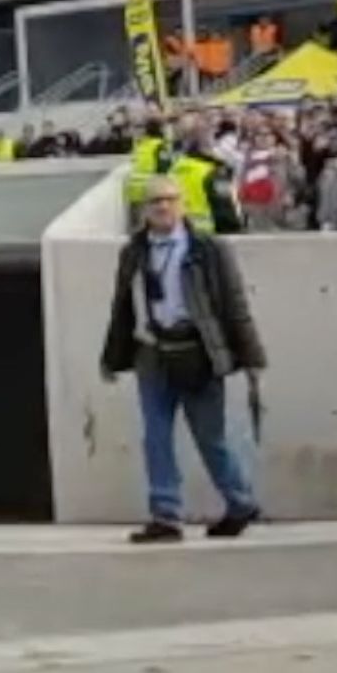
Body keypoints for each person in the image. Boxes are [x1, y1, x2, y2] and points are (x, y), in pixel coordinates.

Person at [101, 176, 266, 543]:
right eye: (155, 201)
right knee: (155, 438)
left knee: (211, 438)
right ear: (144, 209)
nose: (163, 207)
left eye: (170, 200)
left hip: (198, 353)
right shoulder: (134, 251)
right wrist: (112, 357)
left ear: (183, 204)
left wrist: (252, 357)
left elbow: (234, 305)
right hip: (152, 353)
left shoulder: (207, 248)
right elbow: (122, 308)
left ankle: (240, 502)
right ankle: (166, 516)